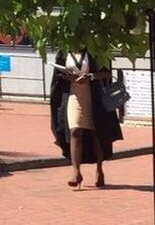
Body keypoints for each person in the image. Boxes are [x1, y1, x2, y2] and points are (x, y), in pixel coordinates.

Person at [49, 50, 123, 189]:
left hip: (94, 99)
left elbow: (107, 73)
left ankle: (99, 169)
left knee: (96, 134)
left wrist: (91, 76)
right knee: (75, 131)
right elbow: (57, 76)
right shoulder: (63, 53)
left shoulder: (95, 50)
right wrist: (68, 77)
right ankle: (76, 172)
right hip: (73, 97)